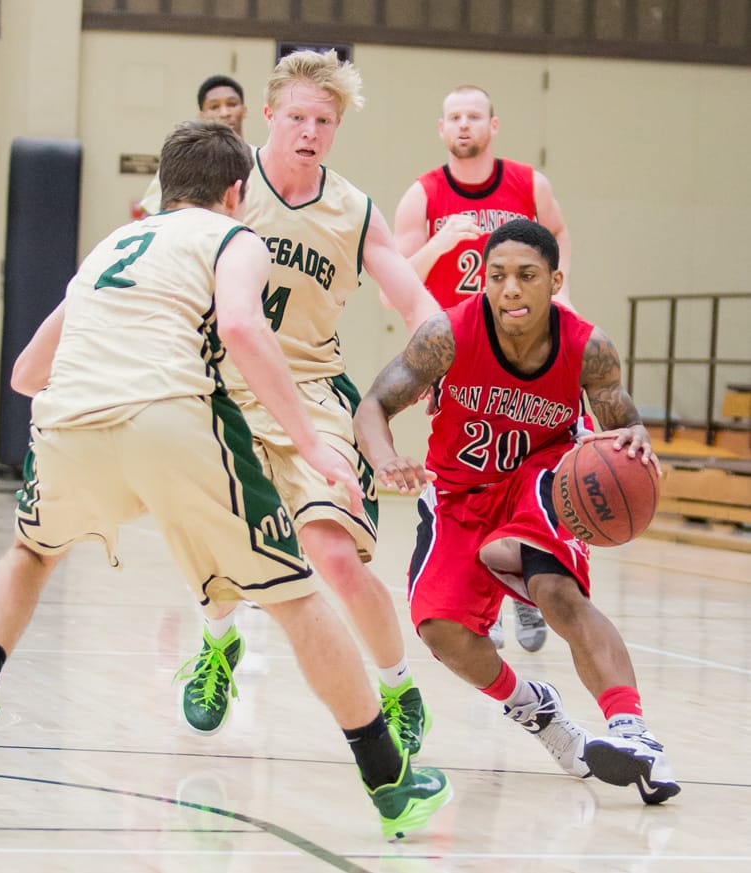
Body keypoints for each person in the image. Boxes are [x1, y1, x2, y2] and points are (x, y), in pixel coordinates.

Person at [0, 120, 451, 840]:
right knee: (296, 598)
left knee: (32, 554)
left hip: (66, 424)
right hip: (168, 417)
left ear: (163, 187)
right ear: (237, 192)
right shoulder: (234, 238)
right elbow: (240, 327)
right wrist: (313, 446)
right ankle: (392, 782)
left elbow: (24, 375)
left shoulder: (110, 247)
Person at [353, 219, 680, 805]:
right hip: (457, 492)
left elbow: (623, 423)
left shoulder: (587, 348)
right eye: (497, 275)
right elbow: (374, 401)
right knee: (441, 630)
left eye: (526, 276)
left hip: (543, 479)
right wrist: (383, 456)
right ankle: (537, 710)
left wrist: (636, 442)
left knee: (556, 589)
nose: (509, 289)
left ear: (554, 281)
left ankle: (633, 730)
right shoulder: (447, 335)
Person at [175, 50, 443, 758]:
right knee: (221, 553)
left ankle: (397, 684)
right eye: (296, 116)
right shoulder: (222, 187)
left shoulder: (354, 211)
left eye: (324, 120)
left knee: (336, 558)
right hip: (222, 388)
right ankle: (218, 644)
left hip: (313, 391)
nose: (309, 131)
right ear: (267, 116)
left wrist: (444, 365)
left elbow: (413, 302)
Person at [393, 83, 575, 652]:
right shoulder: (423, 196)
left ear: (493, 125)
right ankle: (487, 596)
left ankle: (535, 584)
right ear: (441, 130)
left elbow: (559, 237)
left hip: (532, 349)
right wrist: (442, 242)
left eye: (474, 116)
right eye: (454, 117)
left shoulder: (529, 184)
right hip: (464, 354)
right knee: (471, 474)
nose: (464, 125)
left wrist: (563, 306)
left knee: (542, 463)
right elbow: (398, 283)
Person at [139, 74, 248, 216]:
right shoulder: (185, 160)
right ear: (201, 116)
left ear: (244, 111)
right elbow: (151, 212)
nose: (224, 113)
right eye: (214, 106)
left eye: (231, 104)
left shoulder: (260, 161)